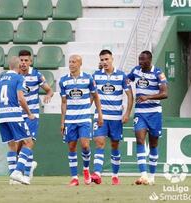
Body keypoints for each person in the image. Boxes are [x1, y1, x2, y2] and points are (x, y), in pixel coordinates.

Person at [59, 55, 103, 186]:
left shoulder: (88, 78)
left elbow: (95, 97)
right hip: (70, 119)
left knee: (85, 145)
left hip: (84, 118)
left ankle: (85, 169)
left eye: (74, 62)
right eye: (70, 62)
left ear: (80, 63)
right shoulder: (63, 81)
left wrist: (100, 114)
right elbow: (64, 102)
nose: (71, 64)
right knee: (71, 147)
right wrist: (62, 122)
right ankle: (74, 178)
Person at [91, 50, 133, 185]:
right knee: (99, 143)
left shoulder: (121, 76)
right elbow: (92, 95)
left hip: (116, 118)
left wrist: (127, 113)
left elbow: (130, 95)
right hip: (100, 116)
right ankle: (97, 173)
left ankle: (115, 175)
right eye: (102, 60)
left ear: (112, 59)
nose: (104, 62)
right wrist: (87, 110)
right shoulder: (96, 76)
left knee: (115, 145)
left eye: (106, 59)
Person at [127, 50, 168, 185]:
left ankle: (152, 176)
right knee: (140, 140)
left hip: (154, 112)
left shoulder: (158, 73)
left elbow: (164, 94)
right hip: (140, 112)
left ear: (149, 60)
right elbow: (126, 79)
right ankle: (143, 175)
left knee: (153, 144)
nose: (140, 62)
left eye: (143, 60)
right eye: (139, 59)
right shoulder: (136, 70)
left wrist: (148, 97)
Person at [0, 56, 35, 185]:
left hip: (2, 115)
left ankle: (13, 178)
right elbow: (20, 98)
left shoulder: (1, 78)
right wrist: (29, 113)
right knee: (28, 142)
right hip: (14, 114)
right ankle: (18, 171)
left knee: (11, 146)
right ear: (19, 67)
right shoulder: (19, 78)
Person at [18, 50, 53, 184]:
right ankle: (30, 165)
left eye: (26, 60)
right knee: (19, 147)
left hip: (32, 114)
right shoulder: (16, 75)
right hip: (17, 114)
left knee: (29, 142)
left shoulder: (36, 75)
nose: (23, 63)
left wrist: (48, 95)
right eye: (21, 60)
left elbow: (49, 90)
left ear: (30, 61)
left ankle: (25, 175)